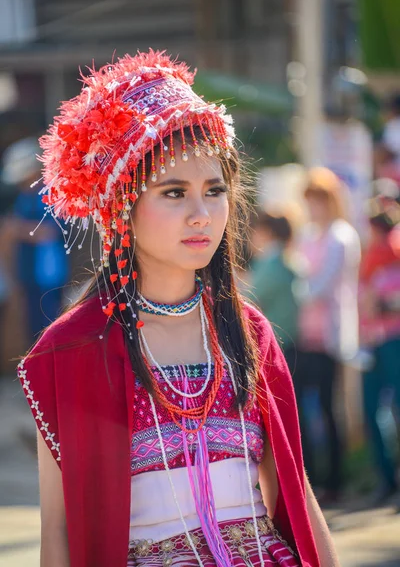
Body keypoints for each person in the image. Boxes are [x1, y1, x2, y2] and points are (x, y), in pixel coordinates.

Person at [18, 51, 339, 567]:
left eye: (215, 191)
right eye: (174, 192)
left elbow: (295, 493)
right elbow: (58, 532)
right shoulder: (70, 351)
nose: (201, 214)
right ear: (120, 207)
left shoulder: (249, 332)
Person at [293, 167, 361, 503]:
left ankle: (334, 480)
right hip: (302, 335)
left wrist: (294, 290)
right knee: (303, 411)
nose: (314, 207)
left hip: (330, 336)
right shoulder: (308, 234)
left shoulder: (341, 235)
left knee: (328, 407)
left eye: (318, 200)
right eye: (310, 201)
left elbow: (322, 284)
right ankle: (312, 480)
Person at [1, 137, 68, 344]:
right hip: (28, 274)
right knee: (33, 329)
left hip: (49, 275)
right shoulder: (24, 197)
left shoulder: (51, 195)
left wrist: (16, 229)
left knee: (51, 325)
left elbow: (49, 231)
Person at [359, 193, 400, 503]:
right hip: (374, 342)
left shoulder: (391, 251)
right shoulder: (372, 256)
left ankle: (389, 480)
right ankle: (386, 479)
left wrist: (383, 304)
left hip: (392, 340)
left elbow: (383, 303)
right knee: (374, 411)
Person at [249, 210, 299, 371]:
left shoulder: (271, 263)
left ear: (266, 232)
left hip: (277, 341)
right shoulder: (285, 259)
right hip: (289, 338)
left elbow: (250, 298)